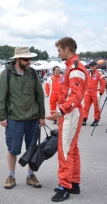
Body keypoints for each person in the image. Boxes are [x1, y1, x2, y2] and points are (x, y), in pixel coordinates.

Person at [0, 47, 45, 189]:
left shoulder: (33, 74)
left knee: (32, 149)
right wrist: (2, 116)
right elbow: (0, 98)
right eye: (26, 59)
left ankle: (31, 175)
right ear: (18, 60)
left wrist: (41, 115)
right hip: (14, 119)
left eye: (30, 59)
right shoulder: (6, 74)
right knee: (13, 149)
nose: (29, 62)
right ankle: (11, 176)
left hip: (32, 119)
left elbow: (39, 96)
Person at [46, 37, 89, 202]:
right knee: (72, 149)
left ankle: (64, 188)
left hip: (70, 113)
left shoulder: (75, 68)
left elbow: (75, 96)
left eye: (59, 50)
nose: (58, 54)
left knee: (65, 151)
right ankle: (74, 182)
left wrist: (61, 111)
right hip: (70, 113)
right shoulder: (71, 66)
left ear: (66, 49)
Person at [82, 61, 106, 126]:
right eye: (90, 66)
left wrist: (101, 92)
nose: (91, 67)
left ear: (96, 66)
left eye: (93, 65)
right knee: (86, 107)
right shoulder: (87, 73)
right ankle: (84, 119)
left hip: (95, 92)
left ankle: (96, 120)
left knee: (96, 107)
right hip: (88, 92)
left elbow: (103, 84)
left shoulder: (99, 74)